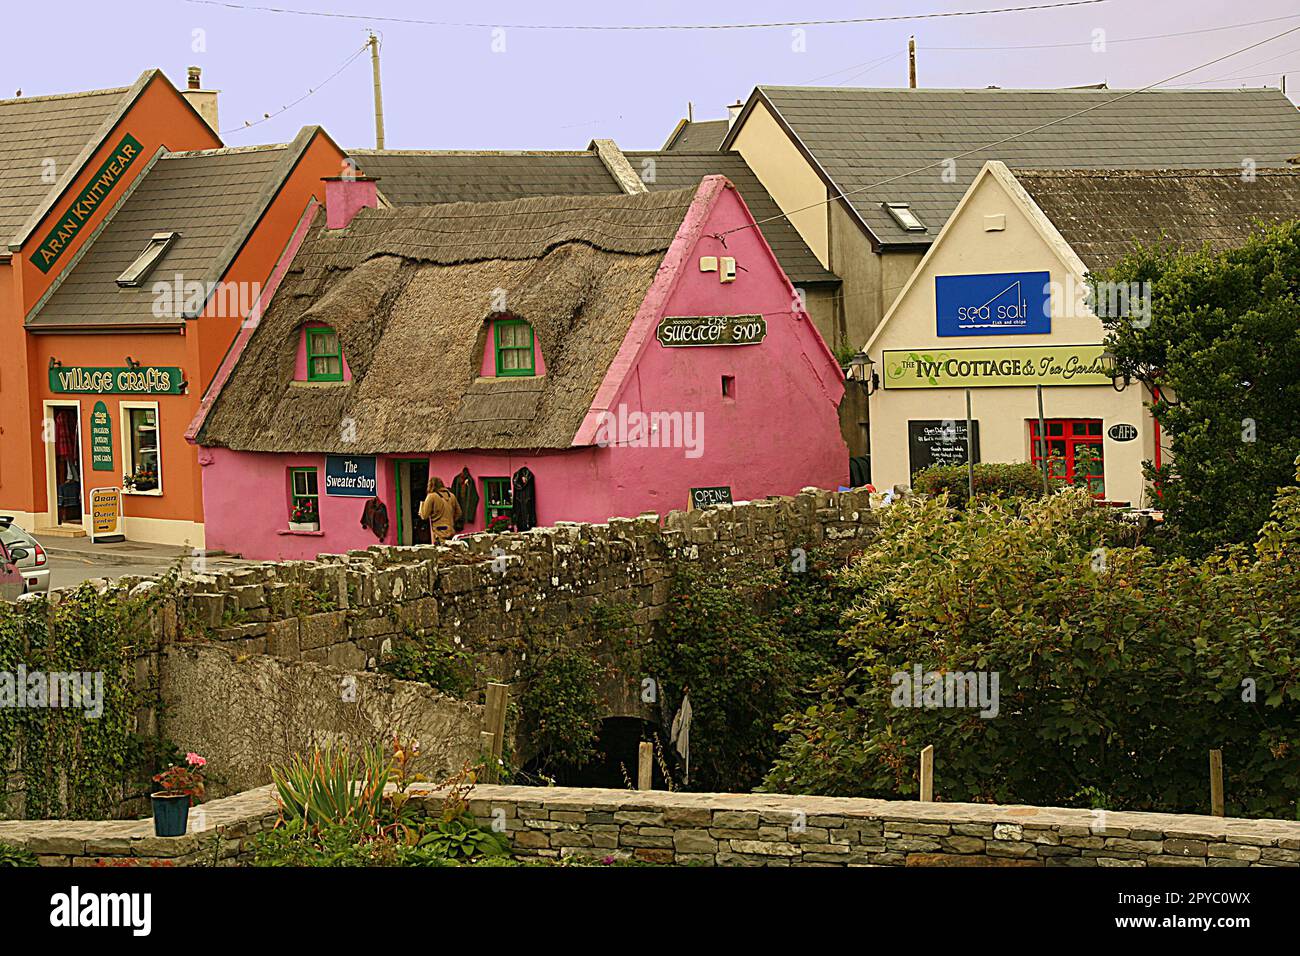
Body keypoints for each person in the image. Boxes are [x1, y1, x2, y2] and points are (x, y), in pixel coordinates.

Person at [419, 476, 462, 542]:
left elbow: (424, 516)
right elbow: (459, 513)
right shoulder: (451, 496)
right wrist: (451, 520)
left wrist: (422, 504)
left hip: (438, 532)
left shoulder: (431, 496)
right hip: (451, 529)